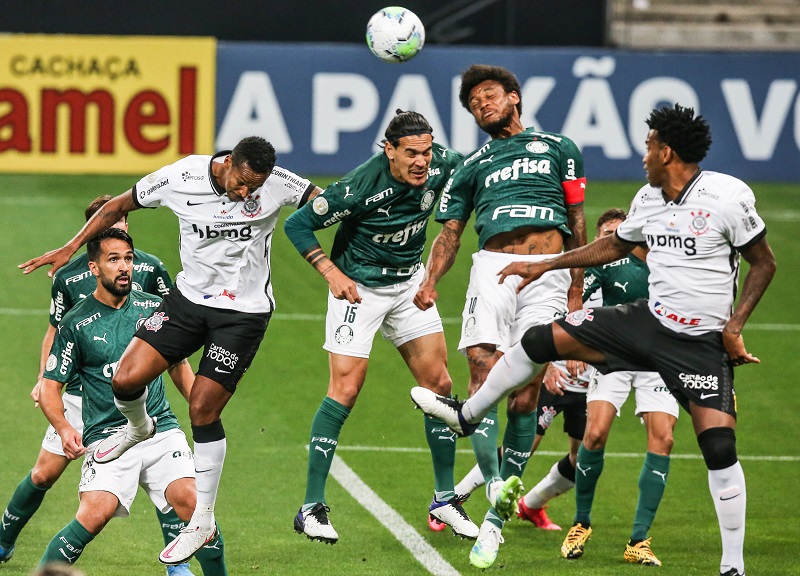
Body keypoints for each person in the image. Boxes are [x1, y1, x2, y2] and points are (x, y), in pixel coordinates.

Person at [411, 103, 777, 576]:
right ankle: (467, 414)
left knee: (720, 449)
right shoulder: (647, 198)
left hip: (700, 342)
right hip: (647, 321)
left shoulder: (727, 196)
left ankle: (732, 567)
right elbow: (614, 245)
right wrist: (545, 265)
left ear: (667, 151)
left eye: (649, 147)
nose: (643, 155)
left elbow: (764, 263)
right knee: (542, 340)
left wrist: (734, 325)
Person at [20, 136, 321, 564]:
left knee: (201, 409)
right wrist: (71, 246)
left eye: (255, 187)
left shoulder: (277, 183)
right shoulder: (181, 176)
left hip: (242, 314)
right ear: (228, 162)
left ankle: (201, 520)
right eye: (241, 183)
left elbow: (329, 203)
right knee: (125, 378)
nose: (246, 194)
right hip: (188, 302)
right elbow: (115, 207)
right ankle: (138, 429)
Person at [413, 64, 588, 569]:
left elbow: (577, 217)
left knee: (529, 389)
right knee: (483, 368)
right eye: (473, 103)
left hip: (548, 271)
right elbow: (449, 232)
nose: (481, 106)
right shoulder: (471, 165)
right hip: (492, 267)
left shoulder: (559, 148)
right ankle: (493, 485)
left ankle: (493, 523)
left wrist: (576, 287)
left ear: (514, 98)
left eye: (489, 96)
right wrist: (430, 280)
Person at [283, 110, 480, 544]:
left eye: (426, 152)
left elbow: (472, 180)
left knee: (440, 385)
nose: (422, 162)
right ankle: (311, 507)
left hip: (409, 285)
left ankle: (445, 499)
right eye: (411, 153)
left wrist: (431, 278)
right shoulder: (359, 186)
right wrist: (332, 274)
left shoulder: (445, 164)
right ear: (389, 150)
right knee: (346, 390)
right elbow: (298, 225)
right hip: (360, 291)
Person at [0, 196, 206, 576]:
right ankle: (5, 538)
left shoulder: (150, 270)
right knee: (45, 474)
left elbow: (171, 342)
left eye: (124, 225)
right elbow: (54, 332)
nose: (122, 235)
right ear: (92, 234)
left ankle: (176, 564)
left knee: (169, 479)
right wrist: (45, 378)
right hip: (84, 395)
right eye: (111, 226)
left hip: (141, 397)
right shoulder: (68, 278)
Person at [37, 228, 226, 575]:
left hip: (159, 429)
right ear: (94, 268)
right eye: (113, 260)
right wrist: (63, 428)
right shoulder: (76, 322)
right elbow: (51, 387)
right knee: (94, 513)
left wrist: (204, 405)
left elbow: (178, 366)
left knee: (197, 509)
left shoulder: (155, 308)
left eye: (128, 259)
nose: (124, 267)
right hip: (108, 436)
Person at [554, 208, 679, 566]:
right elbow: (575, 297)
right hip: (615, 355)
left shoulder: (675, 267)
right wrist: (573, 340)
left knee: (664, 438)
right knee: (594, 434)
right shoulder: (610, 263)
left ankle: (638, 540)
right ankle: (580, 523)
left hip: (659, 360)